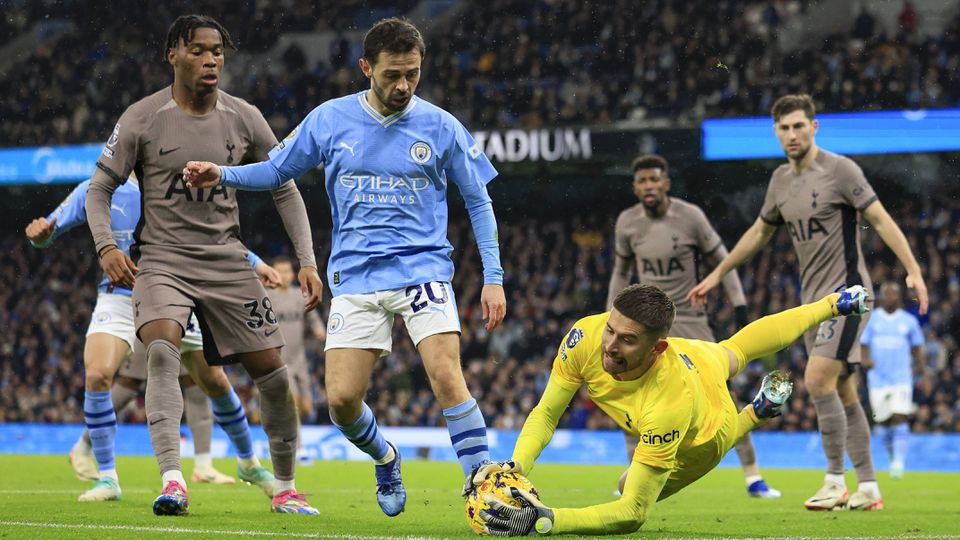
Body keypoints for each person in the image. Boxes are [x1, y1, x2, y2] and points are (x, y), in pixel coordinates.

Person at [182, 17, 507, 517]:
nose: (403, 86)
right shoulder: (330, 119)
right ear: (365, 68)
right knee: (341, 402)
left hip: (422, 267)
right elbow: (276, 170)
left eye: (413, 75)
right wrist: (221, 173)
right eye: (392, 75)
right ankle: (386, 456)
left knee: (446, 374)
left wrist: (493, 278)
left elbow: (479, 203)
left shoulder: (442, 126)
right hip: (355, 276)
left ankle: (482, 486)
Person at [84, 14, 322, 516]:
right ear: (173, 54)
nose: (211, 59)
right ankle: (173, 480)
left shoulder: (244, 116)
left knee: (273, 373)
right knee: (163, 350)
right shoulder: (142, 117)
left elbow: (284, 185)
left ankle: (285, 488)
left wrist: (307, 259)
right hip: (163, 261)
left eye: (217, 51)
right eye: (198, 50)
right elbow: (99, 189)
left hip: (227, 261)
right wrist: (107, 246)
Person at [468, 284, 869, 536]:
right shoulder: (585, 337)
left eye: (626, 340)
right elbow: (547, 412)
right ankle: (831, 306)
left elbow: (632, 514)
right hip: (700, 357)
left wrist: (549, 519)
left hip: (704, 430)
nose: (609, 346)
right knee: (736, 349)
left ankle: (754, 414)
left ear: (656, 347)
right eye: (611, 329)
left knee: (629, 486)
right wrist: (516, 466)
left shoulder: (668, 404)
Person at [688, 94, 928, 511]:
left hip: (849, 294)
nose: (792, 134)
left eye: (800, 126)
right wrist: (716, 274)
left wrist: (913, 269)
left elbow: (880, 219)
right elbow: (758, 234)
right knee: (845, 392)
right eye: (784, 128)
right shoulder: (780, 181)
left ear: (814, 127)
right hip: (811, 303)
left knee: (817, 380)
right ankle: (869, 485)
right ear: (776, 132)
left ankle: (835, 481)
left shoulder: (841, 170)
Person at [25, 177, 279, 501]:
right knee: (98, 374)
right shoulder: (96, 188)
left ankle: (249, 463)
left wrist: (256, 264)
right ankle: (107, 479)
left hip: (173, 295)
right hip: (119, 295)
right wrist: (40, 237)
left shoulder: (174, 183)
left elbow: (217, 235)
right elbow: (46, 232)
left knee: (214, 380)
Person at [606, 154, 779, 498]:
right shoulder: (627, 223)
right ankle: (636, 482)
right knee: (632, 398)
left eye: (655, 180)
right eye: (642, 181)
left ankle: (753, 476)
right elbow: (620, 275)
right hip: (645, 327)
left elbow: (723, 262)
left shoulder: (690, 217)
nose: (649, 187)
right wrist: (609, 321)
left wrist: (740, 306)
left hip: (689, 321)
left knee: (722, 399)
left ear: (666, 183)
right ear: (635, 187)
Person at [860, 282, 925, 479]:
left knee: (899, 415)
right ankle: (892, 458)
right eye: (886, 294)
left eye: (893, 294)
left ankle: (899, 462)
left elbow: (918, 347)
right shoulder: (872, 319)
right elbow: (863, 343)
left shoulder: (909, 321)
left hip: (901, 378)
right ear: (881, 297)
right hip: (878, 378)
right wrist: (865, 360)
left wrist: (924, 373)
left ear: (899, 297)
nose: (890, 297)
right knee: (885, 421)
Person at [266, 256, 326, 464]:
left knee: (307, 407)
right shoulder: (267, 297)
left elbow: (312, 316)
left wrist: (319, 328)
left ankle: (282, 436)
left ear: (292, 274)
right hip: (280, 360)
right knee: (292, 404)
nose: (283, 275)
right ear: (273, 273)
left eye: (287, 271)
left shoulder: (300, 295)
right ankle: (299, 447)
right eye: (279, 271)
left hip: (300, 360)